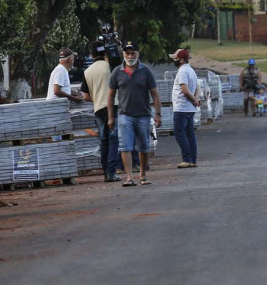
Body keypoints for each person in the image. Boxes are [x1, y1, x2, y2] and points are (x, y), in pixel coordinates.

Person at [107, 41, 162, 187]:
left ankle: (143, 175)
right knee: (125, 146)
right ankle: (129, 177)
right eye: (127, 53)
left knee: (143, 146)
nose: (130, 56)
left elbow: (155, 94)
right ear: (123, 54)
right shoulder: (117, 72)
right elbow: (111, 96)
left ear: (138, 54)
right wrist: (111, 117)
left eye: (133, 53)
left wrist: (158, 114)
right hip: (124, 115)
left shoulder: (145, 71)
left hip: (143, 115)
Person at [80, 41, 119, 182]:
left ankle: (105, 172)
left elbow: (85, 96)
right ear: (104, 53)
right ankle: (111, 172)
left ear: (91, 55)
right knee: (114, 139)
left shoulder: (87, 72)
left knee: (104, 140)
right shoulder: (110, 66)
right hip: (113, 106)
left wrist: (97, 98)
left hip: (99, 109)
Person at [170, 49, 200, 169]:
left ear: (181, 60)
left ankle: (186, 158)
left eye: (175, 58)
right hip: (189, 108)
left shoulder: (182, 71)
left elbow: (185, 90)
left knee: (179, 134)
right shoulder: (191, 70)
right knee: (189, 134)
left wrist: (194, 100)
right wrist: (196, 100)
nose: (173, 60)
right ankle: (193, 159)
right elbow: (197, 88)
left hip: (182, 108)